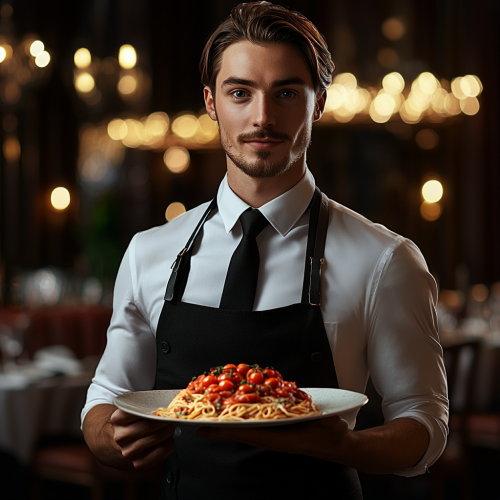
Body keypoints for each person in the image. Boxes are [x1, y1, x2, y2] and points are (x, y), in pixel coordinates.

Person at [82, 2, 448, 499]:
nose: (262, 118)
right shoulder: (149, 252)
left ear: (318, 103)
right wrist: (113, 438)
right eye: (240, 93)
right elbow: (103, 401)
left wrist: (343, 448)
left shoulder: (384, 259)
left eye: (287, 93)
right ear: (211, 103)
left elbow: (424, 423)